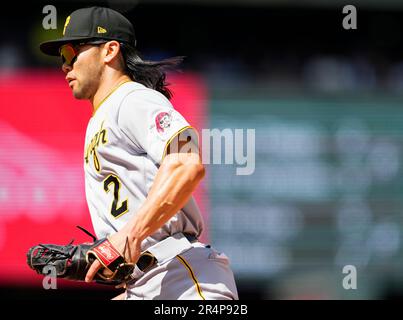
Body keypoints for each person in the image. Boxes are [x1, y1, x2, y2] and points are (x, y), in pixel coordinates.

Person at [39, 6, 239, 300]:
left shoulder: (132, 99)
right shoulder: (103, 117)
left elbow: (187, 164)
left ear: (109, 51)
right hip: (146, 282)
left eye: (71, 53)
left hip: (181, 274)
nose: (65, 66)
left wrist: (130, 234)